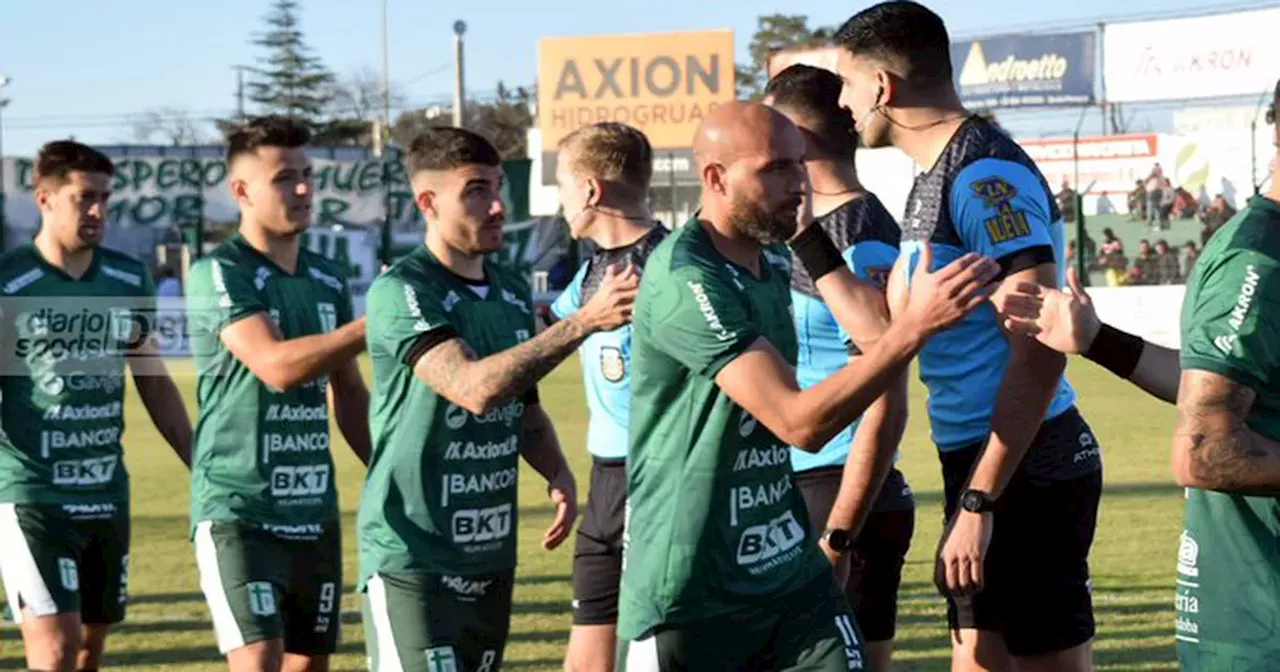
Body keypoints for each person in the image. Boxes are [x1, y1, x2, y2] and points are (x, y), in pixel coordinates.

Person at [616, 100, 1001, 671]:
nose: (798, 183)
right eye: (775, 169)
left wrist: (812, 244)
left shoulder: (770, 257)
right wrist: (916, 325)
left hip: (786, 566)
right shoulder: (685, 278)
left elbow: (876, 339)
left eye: (799, 164)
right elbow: (800, 423)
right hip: (694, 586)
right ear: (716, 179)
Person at [834, 3, 1104, 670]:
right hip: (983, 461)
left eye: (845, 83)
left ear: (881, 87)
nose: (842, 104)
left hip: (1024, 468)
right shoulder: (937, 174)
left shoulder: (983, 176)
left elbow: (1040, 346)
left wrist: (982, 498)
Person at [1001, 79, 1280, 671]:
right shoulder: (1258, 260)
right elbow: (1205, 449)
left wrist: (1099, 342)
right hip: (1262, 625)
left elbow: (1223, 391)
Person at [358, 126, 637, 672]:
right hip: (414, 556)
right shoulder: (404, 291)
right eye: (475, 191)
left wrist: (555, 469)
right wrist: (583, 321)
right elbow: (474, 389)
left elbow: (523, 406)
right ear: (428, 203)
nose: (495, 206)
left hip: (490, 551)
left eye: (495, 189)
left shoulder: (509, 289)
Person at [185, 116, 373, 672]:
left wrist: (388, 474)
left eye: (308, 175)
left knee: (308, 664)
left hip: (313, 510)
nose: (303, 190)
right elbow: (275, 366)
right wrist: (370, 324)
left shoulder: (329, 278)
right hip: (239, 508)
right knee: (260, 656)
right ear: (241, 191)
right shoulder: (220, 272)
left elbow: (349, 392)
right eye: (285, 178)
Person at [0, 140, 193, 672]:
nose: (98, 212)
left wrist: (201, 463)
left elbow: (152, 380)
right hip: (31, 492)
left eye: (106, 199)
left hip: (107, 490)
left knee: (88, 648)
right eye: (85, 198)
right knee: (56, 647)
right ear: (45, 198)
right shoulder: (10, 282)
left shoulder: (128, 280)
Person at [763, 65, 914, 672]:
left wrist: (841, 531)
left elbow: (886, 386)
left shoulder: (858, 231)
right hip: (804, 485)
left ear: (797, 137)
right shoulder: (806, 224)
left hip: (837, 490)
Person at [547, 122, 667, 672]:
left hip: (659, 480)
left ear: (591, 191)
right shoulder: (594, 268)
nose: (560, 201)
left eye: (563, 186)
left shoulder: (670, 268)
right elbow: (549, 329)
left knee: (649, 657)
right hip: (604, 482)